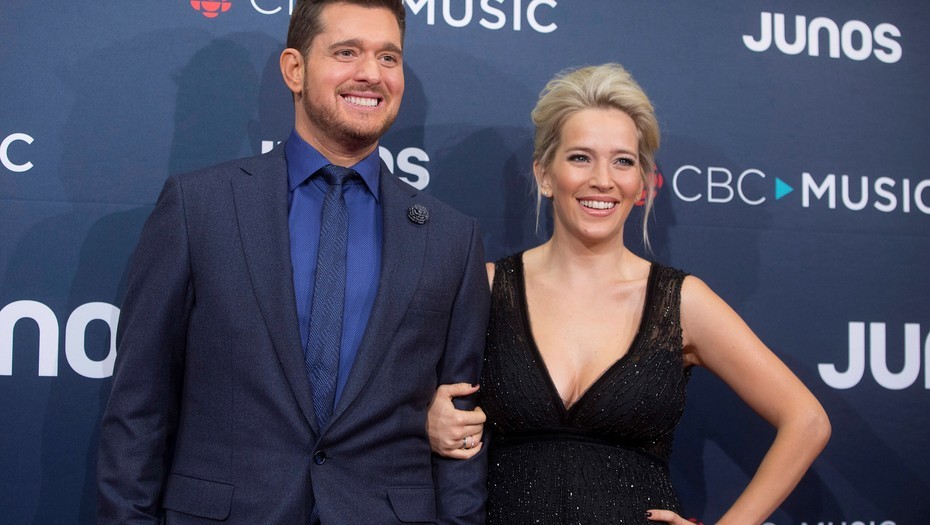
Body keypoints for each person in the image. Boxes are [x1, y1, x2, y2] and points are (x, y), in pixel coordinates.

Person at [97, 1, 489, 523]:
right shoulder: (199, 207)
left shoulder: (451, 238)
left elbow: (461, 428)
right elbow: (138, 407)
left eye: (388, 57)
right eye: (346, 53)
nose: (371, 74)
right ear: (294, 69)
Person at [426, 63, 831, 524]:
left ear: (642, 182)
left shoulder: (681, 302)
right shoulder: (486, 287)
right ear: (544, 175)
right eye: (580, 157)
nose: (603, 179)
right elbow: (388, 397)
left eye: (623, 161)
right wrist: (425, 420)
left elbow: (807, 420)